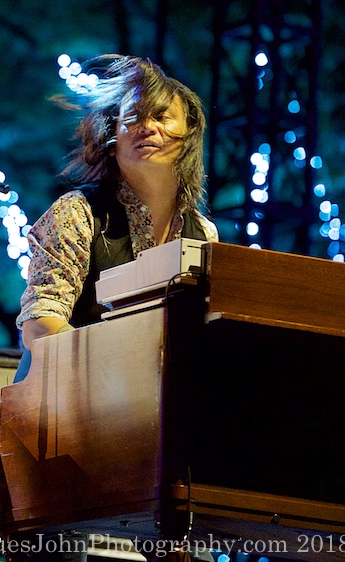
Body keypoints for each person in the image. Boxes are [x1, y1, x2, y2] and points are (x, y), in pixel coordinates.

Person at [14, 54, 218, 384]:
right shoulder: (76, 213)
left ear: (189, 136)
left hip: (159, 407)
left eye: (162, 117)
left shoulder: (203, 232)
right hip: (57, 402)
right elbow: (40, 324)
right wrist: (118, 371)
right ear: (113, 143)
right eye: (134, 118)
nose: (148, 127)